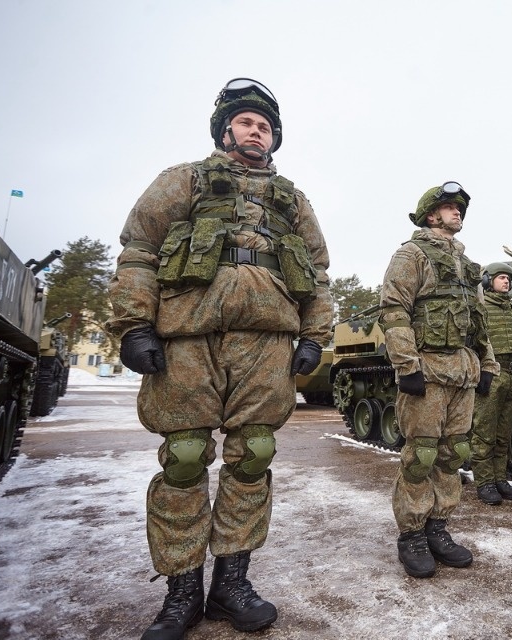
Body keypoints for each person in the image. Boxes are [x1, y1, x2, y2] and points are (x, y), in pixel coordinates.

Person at [106, 78, 334, 639]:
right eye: (246, 123)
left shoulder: (294, 201)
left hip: (266, 343)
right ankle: (182, 591)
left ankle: (230, 584)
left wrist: (314, 335)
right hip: (188, 337)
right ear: (224, 129)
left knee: (253, 454)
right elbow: (139, 251)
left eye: (265, 126)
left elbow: (320, 276)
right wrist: (134, 325)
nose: (255, 132)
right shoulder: (182, 180)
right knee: (184, 457)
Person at [379, 182, 499, 578]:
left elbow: (479, 323)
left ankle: (438, 528)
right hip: (428, 369)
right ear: (431, 215)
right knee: (422, 454)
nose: (457, 213)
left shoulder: (469, 267)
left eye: (459, 208)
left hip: (462, 372)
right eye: (450, 207)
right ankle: (411, 534)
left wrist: (487, 365)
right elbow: (395, 309)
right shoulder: (410, 254)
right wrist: (406, 364)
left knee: (453, 454)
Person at [471, 263, 512, 505]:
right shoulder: (480, 309)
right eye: (501, 278)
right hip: (491, 375)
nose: (506, 282)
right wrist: (480, 373)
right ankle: (484, 482)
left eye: (508, 278)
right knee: (484, 432)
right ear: (487, 282)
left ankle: (499, 478)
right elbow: (472, 343)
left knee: (504, 433)